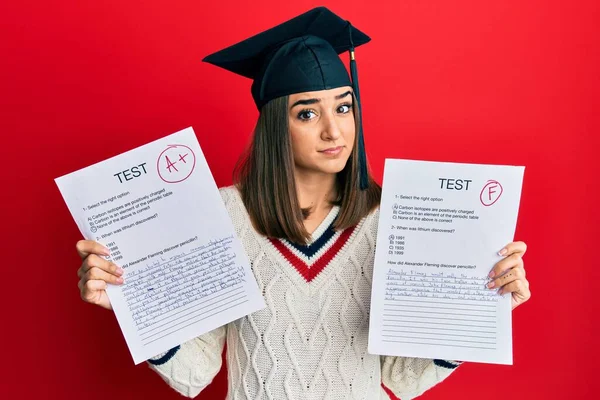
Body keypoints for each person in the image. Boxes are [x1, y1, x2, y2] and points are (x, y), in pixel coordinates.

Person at [75, 7, 531, 400]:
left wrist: (482, 304)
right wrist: (134, 305)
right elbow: (197, 372)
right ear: (277, 125)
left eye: (344, 107)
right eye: (308, 113)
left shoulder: (399, 220)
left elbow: (402, 377)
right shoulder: (221, 216)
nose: (334, 131)